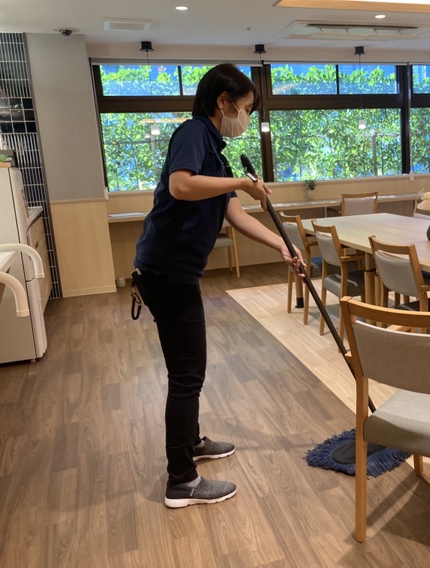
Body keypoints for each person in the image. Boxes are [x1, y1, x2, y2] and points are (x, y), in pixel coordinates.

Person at [132, 64, 301, 508]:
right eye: (245, 108)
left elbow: (235, 214)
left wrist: (282, 247)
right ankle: (181, 481)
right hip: (167, 274)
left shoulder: (215, 149)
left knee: (188, 370)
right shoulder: (193, 132)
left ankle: (191, 443)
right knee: (187, 375)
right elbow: (181, 185)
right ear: (223, 102)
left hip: (174, 273)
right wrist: (244, 182)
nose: (246, 117)